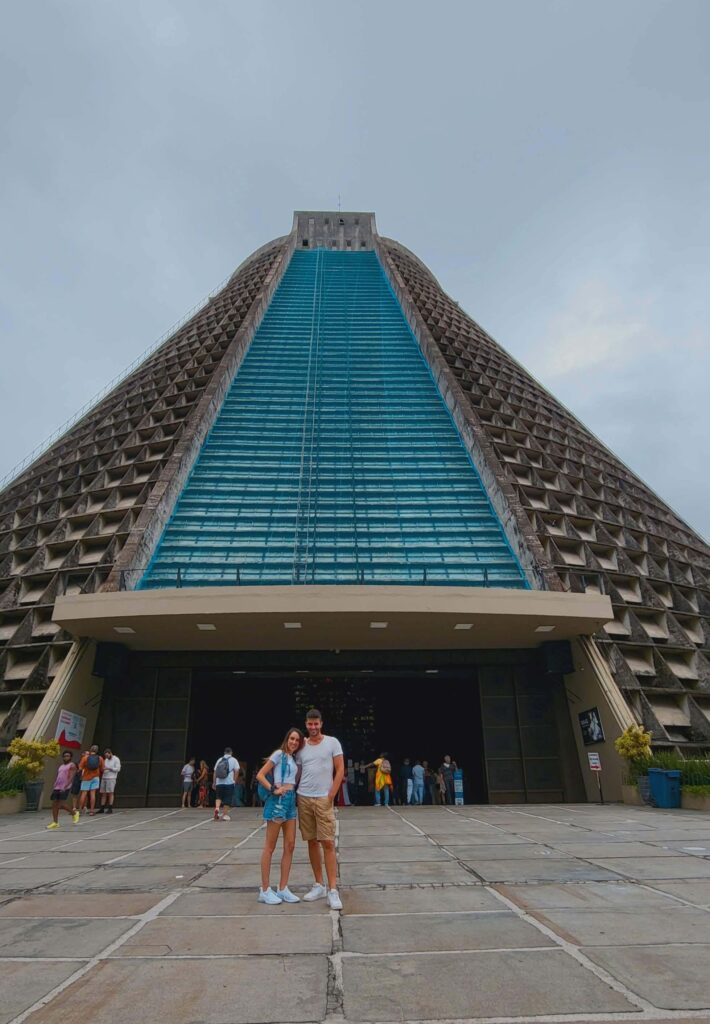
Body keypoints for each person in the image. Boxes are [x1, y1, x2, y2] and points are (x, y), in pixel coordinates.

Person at [296, 708, 344, 910]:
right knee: (311, 841)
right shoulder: (301, 746)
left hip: (324, 798)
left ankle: (333, 889)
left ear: (321, 724)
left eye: (316, 724)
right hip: (304, 797)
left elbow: (340, 768)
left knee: (328, 842)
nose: (313, 727)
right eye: (310, 724)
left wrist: (331, 794)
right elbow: (297, 772)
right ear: (306, 724)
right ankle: (319, 885)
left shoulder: (332, 742)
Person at [255, 727, 305, 905]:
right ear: (286, 739)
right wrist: (273, 789)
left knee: (290, 845)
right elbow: (260, 774)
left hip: (291, 802)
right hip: (278, 801)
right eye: (292, 739)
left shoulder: (293, 758)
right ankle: (265, 889)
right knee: (270, 846)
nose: (294, 742)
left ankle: (283, 888)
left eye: (297, 740)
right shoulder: (278, 754)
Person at [47, 751, 80, 828]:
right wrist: (55, 784)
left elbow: (71, 777)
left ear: (70, 757)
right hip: (57, 787)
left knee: (61, 804)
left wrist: (65, 787)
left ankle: (74, 813)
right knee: (54, 804)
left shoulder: (72, 765)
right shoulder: (61, 766)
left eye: (68, 756)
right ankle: (55, 822)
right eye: (64, 756)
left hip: (65, 787)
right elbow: (59, 776)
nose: (66, 757)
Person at [213, 747, 239, 821]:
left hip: (219, 782)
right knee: (227, 798)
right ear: (231, 752)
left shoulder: (219, 760)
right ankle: (225, 815)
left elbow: (215, 772)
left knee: (218, 797)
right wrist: (234, 781)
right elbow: (237, 771)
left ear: (224, 753)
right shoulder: (234, 760)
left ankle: (217, 808)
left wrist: (214, 782)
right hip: (229, 782)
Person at [78, 745, 104, 815]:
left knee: (84, 793)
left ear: (90, 750)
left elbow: (80, 768)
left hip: (86, 777)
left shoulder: (85, 758)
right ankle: (92, 811)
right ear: (97, 751)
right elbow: (102, 769)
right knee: (93, 794)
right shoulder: (100, 758)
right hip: (96, 777)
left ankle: (80, 810)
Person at [98, 748, 121, 813]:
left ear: (110, 753)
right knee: (103, 793)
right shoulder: (105, 760)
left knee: (110, 793)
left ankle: (110, 807)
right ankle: (102, 808)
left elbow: (118, 769)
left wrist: (109, 768)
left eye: (108, 755)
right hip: (104, 777)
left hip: (111, 778)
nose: (107, 757)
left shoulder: (116, 759)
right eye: (106, 756)